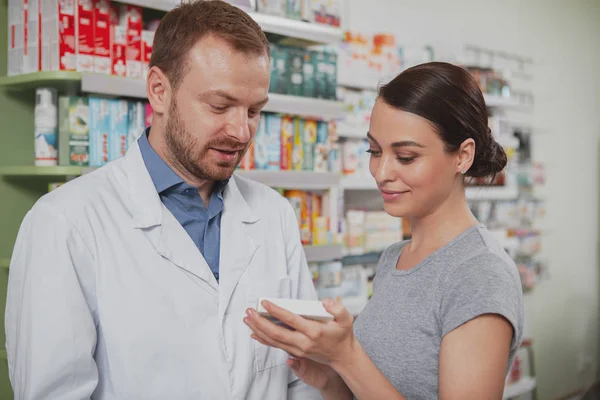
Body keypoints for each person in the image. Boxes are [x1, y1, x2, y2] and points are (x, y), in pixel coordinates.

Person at [5, 1, 322, 399]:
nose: (242, 132)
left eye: (254, 111)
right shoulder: (66, 222)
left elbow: (301, 379)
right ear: (159, 90)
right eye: (220, 106)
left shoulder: (274, 214)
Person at [245, 62, 525, 399]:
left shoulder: (479, 274)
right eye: (375, 151)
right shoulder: (395, 258)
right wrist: (328, 377)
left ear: (463, 156)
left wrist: (347, 357)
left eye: (405, 156)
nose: (381, 172)